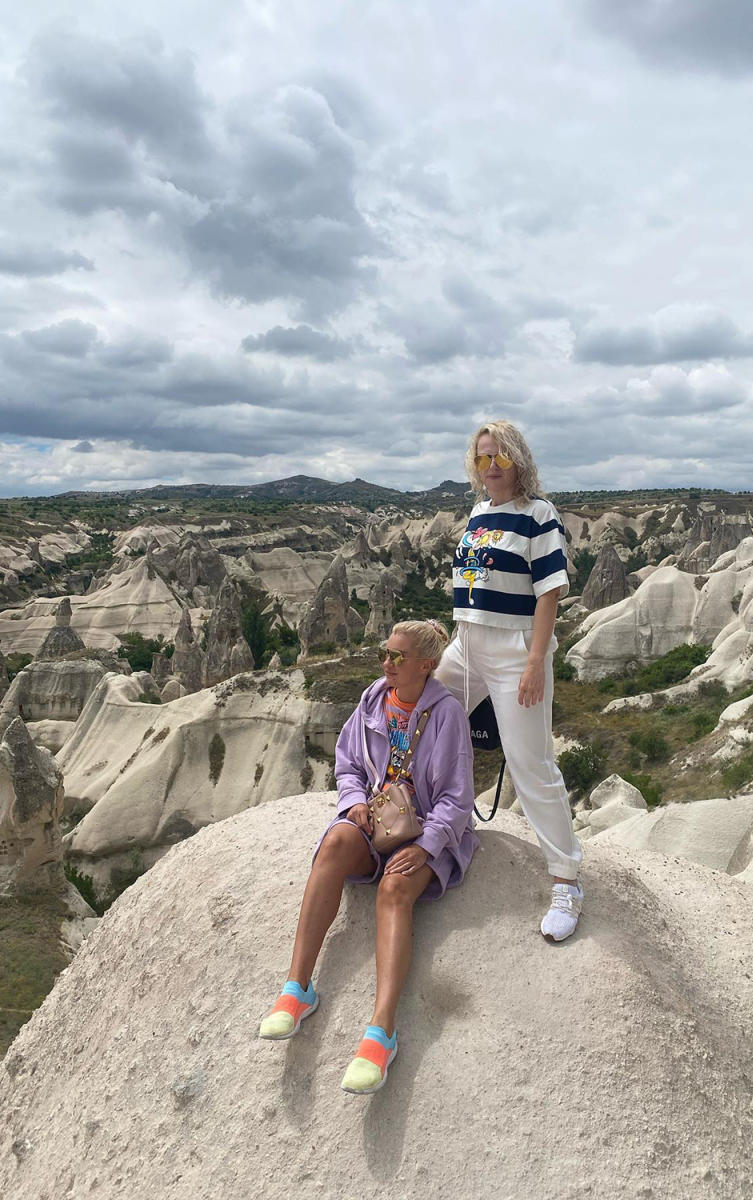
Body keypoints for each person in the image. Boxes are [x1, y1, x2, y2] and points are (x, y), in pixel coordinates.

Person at [258, 618, 477, 1095]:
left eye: (398, 657)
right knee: (334, 843)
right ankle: (297, 990)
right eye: (385, 653)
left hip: (428, 829)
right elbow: (348, 764)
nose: (387, 663)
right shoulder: (373, 699)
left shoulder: (447, 714)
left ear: (427, 665)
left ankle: (381, 1031)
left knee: (395, 888)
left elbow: (457, 799)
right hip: (380, 821)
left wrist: (426, 847)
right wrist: (353, 802)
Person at [435, 419, 584, 941]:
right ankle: (439, 827)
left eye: (498, 456)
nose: (490, 466)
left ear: (518, 458)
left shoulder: (539, 516)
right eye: (481, 458)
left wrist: (534, 662)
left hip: (514, 647)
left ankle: (566, 881)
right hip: (466, 644)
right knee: (424, 718)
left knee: (531, 764)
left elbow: (549, 593)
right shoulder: (478, 514)